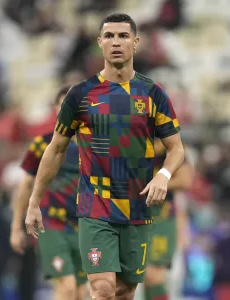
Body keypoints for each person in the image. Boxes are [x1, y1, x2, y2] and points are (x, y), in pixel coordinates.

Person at [25, 13, 185, 300]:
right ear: (99, 43)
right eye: (109, 36)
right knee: (102, 289)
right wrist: (34, 201)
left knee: (125, 293)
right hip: (95, 208)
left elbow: (176, 148)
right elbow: (56, 149)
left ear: (135, 43)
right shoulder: (80, 95)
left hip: (137, 209)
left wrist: (164, 175)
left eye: (123, 36)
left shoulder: (153, 93)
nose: (115, 42)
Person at [10, 84, 88, 300]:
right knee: (67, 286)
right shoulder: (42, 145)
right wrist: (16, 227)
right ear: (55, 109)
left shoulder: (92, 146)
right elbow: (25, 186)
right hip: (52, 225)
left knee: (82, 293)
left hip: (84, 227)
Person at [144, 140, 194, 300]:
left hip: (160, 219)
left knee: (153, 275)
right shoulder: (124, 136)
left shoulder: (168, 142)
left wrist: (154, 185)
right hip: (129, 215)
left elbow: (185, 179)